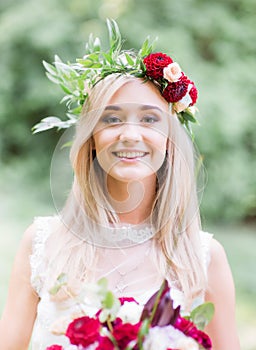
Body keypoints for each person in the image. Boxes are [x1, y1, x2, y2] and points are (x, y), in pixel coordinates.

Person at [0, 20, 240, 350]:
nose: (129, 134)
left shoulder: (202, 258)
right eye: (111, 119)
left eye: (149, 119)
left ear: (170, 139)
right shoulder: (41, 244)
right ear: (92, 138)